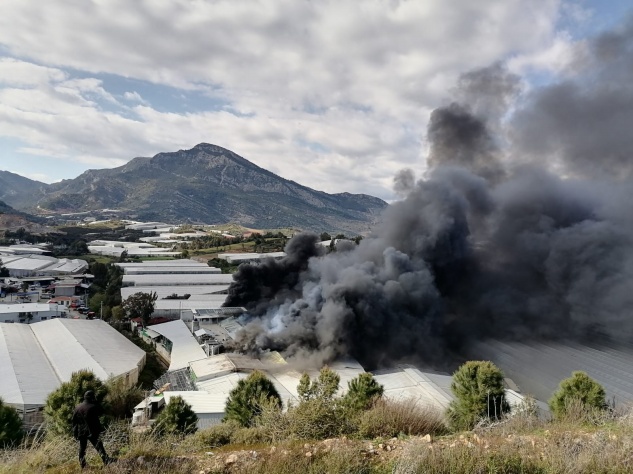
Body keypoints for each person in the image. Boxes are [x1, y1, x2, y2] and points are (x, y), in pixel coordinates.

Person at [72, 390, 111, 469]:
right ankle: (106, 460)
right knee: (99, 446)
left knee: (82, 448)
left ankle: (83, 465)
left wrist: (75, 432)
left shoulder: (77, 407)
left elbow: (74, 421)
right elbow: (102, 411)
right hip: (92, 431)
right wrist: (96, 402)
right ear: (92, 397)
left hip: (81, 431)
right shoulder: (93, 406)